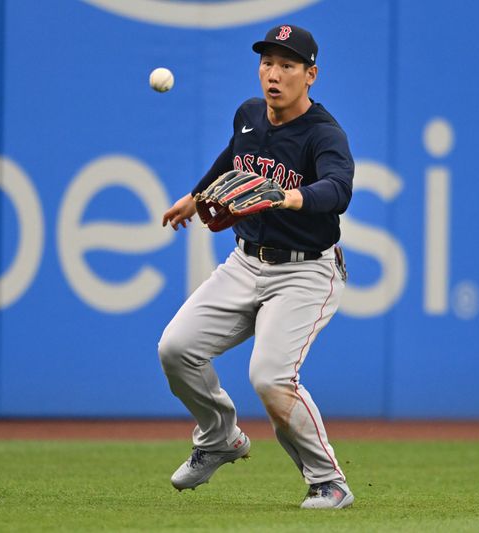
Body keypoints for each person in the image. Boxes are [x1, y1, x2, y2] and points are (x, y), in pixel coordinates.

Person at [158, 24, 355, 510]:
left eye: (288, 65)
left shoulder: (323, 134)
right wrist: (197, 195)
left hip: (306, 271)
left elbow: (339, 188)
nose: (274, 73)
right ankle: (219, 437)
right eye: (268, 62)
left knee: (270, 377)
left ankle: (328, 481)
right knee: (176, 349)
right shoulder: (249, 115)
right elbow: (234, 156)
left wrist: (292, 197)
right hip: (245, 263)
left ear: (311, 75)